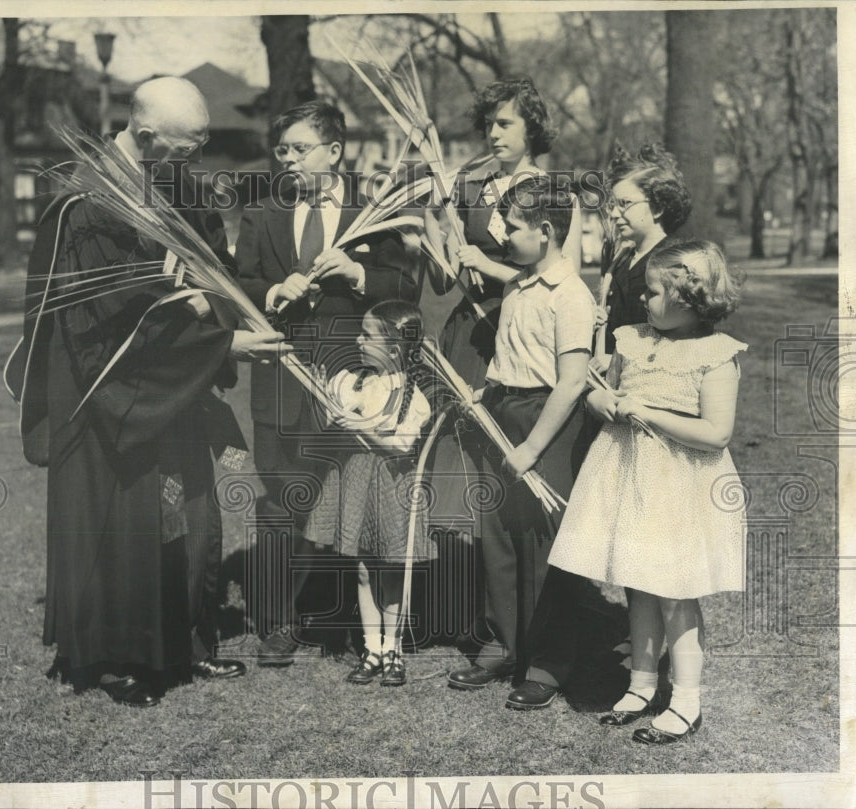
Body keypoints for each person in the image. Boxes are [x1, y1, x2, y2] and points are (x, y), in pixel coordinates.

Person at [8, 77, 284, 707]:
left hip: (166, 381)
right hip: (107, 389)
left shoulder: (163, 177)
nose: (194, 158)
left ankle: (184, 641)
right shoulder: (89, 202)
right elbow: (109, 316)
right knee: (124, 522)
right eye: (187, 146)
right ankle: (116, 658)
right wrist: (221, 345)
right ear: (148, 133)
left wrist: (214, 301)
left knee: (188, 515)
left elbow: (205, 257)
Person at [235, 101, 417, 666]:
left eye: (299, 149)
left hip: (353, 388)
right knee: (283, 506)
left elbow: (402, 288)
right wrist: (271, 291)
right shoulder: (263, 213)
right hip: (282, 386)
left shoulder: (372, 212)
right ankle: (283, 621)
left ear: (334, 151)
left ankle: (356, 622)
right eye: (282, 151)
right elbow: (238, 282)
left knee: (353, 503)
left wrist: (358, 274)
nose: (287, 160)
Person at [549, 240, 747, 743]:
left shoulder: (716, 355)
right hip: (628, 474)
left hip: (679, 484)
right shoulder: (631, 339)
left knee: (675, 594)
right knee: (638, 585)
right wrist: (605, 404)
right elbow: (601, 390)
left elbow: (717, 433)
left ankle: (686, 702)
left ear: (688, 298)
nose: (644, 300)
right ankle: (641, 683)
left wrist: (650, 412)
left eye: (655, 292)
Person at [420, 79, 580, 674]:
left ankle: (540, 639)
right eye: (489, 123)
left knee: (531, 500)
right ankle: (494, 628)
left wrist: (489, 263)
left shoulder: (556, 194)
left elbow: (564, 276)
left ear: (533, 129)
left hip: (529, 350)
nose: (493, 134)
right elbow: (443, 280)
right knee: (481, 491)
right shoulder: (469, 185)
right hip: (479, 346)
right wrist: (437, 227)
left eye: (506, 124)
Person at [449, 176, 596, 709]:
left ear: (547, 230)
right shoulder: (520, 283)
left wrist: (533, 448)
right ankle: (503, 644)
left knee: (543, 543)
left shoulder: (572, 296)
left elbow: (573, 381)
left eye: (512, 227)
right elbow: (511, 353)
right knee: (499, 533)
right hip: (503, 412)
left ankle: (549, 662)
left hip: (546, 423)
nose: (504, 236)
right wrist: (483, 390)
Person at [303, 300, 432, 686]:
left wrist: (360, 426)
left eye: (367, 334)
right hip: (356, 481)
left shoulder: (413, 396)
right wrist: (319, 393)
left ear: (393, 348)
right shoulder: (353, 381)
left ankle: (393, 650)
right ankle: (371, 650)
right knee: (362, 570)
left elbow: (401, 446)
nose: (358, 340)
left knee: (392, 572)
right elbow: (327, 420)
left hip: (392, 485)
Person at [597, 143, 692, 365]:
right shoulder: (620, 260)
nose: (612, 213)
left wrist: (613, 361)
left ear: (658, 208)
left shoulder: (673, 262)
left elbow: (677, 344)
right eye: (613, 204)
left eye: (624, 204)